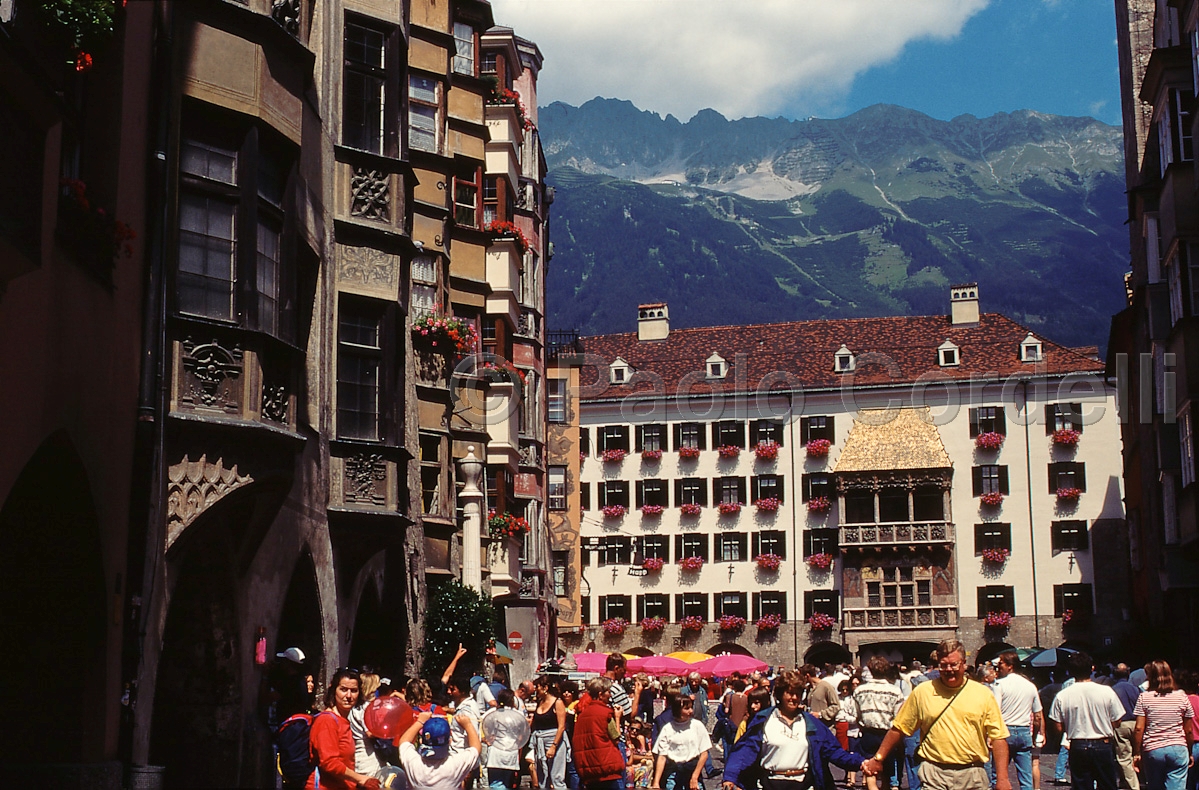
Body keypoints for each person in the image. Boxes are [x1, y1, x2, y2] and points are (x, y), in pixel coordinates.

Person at [861, 639, 1010, 790]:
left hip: (972, 774)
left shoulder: (982, 693)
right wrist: (878, 758)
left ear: (964, 663)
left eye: (954, 664)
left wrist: (1003, 779)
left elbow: (998, 737)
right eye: (944, 665)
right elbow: (899, 728)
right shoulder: (923, 691)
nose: (949, 669)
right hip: (934, 774)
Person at [723, 668, 867, 790]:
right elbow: (743, 752)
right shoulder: (764, 721)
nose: (794, 698)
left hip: (802, 783)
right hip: (770, 783)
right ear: (780, 694)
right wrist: (730, 777)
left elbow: (834, 751)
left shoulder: (811, 723)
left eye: (797, 693)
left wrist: (861, 762)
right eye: (789, 693)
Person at [1049, 651, 1125, 790]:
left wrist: (1072, 727)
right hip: (1103, 742)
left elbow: (1058, 726)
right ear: (1092, 668)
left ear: (1070, 671)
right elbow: (1117, 720)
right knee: (1107, 784)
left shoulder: (1062, 695)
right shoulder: (1106, 691)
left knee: (1081, 785)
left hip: (1078, 744)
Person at [307, 669, 383, 790]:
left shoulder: (343, 720)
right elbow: (329, 763)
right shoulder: (327, 721)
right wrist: (361, 778)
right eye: (343, 689)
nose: (348, 696)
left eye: (354, 691)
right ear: (334, 691)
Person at [1132, 661, 1195, 790]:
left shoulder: (1144, 697)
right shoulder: (1182, 698)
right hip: (1178, 747)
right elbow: (1188, 730)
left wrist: (1136, 752)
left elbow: (1139, 728)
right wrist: (1189, 751)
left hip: (1153, 749)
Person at [994, 651, 1046, 790]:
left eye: (1001, 663)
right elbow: (1038, 715)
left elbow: (995, 712)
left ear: (1010, 666)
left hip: (1005, 731)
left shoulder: (999, 685)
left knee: (998, 774)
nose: (998, 666)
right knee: (1026, 777)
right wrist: (1036, 735)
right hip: (1024, 731)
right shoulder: (1030, 686)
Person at [854, 657, 905, 790]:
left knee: (870, 767)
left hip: (868, 732)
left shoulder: (860, 690)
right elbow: (898, 716)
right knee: (887, 769)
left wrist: (862, 725)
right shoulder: (895, 691)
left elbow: (857, 714)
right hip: (887, 734)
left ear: (870, 670)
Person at [399, 710, 481, 790]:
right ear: (449, 741)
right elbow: (476, 748)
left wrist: (419, 722)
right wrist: (468, 725)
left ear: (421, 741)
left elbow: (404, 742)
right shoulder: (455, 764)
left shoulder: (413, 762)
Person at [573, 678, 627, 790]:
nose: (610, 694)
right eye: (608, 691)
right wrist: (617, 718)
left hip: (589, 770)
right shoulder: (605, 713)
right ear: (600, 694)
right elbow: (616, 737)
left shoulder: (582, 715)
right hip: (606, 767)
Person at [651, 694, 711, 790]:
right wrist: (656, 782)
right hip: (674, 773)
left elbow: (704, 754)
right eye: (687, 708)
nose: (691, 711)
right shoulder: (668, 728)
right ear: (678, 710)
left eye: (691, 707)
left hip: (692, 771)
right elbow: (662, 757)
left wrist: (695, 777)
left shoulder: (697, 726)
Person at [483, 689, 530, 790]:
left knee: (495, 784)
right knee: (507, 783)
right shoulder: (519, 714)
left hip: (496, 750)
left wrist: (487, 739)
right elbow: (523, 731)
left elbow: (483, 724)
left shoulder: (492, 713)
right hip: (511, 751)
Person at [530, 675, 571, 790]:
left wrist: (554, 746)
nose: (535, 690)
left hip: (554, 740)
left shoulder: (558, 702)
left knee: (557, 777)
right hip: (540, 740)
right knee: (542, 777)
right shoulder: (539, 702)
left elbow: (561, 726)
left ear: (545, 688)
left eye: (537, 687)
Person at [1111, 664, 1142, 790]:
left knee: (1124, 757)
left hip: (1121, 724)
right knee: (1138, 753)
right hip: (1137, 723)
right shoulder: (1135, 689)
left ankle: (1134, 786)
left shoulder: (1113, 689)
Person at [349, 671, 384, 778]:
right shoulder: (366, 707)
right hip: (368, 755)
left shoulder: (354, 706)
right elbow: (369, 733)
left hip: (358, 751)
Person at [838, 680, 862, 788]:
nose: (855, 686)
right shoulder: (849, 700)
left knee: (864, 755)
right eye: (853, 684)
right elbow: (844, 714)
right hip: (852, 731)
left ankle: (865, 780)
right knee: (851, 753)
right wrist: (854, 719)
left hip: (863, 731)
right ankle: (851, 779)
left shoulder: (863, 697)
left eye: (857, 684)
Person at [801, 665, 841, 730]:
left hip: (826, 728)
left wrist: (820, 714)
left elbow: (836, 706)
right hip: (813, 727)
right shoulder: (809, 689)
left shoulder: (826, 686)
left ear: (807, 676)